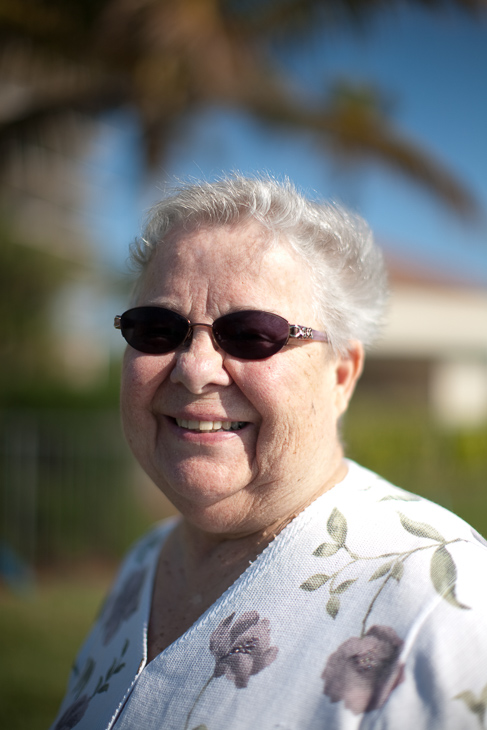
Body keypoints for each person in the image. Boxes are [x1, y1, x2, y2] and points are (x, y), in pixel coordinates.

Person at [50, 176, 487, 730]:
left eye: (252, 334)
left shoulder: (447, 603)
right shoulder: (145, 561)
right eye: (158, 329)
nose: (194, 368)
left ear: (342, 375)